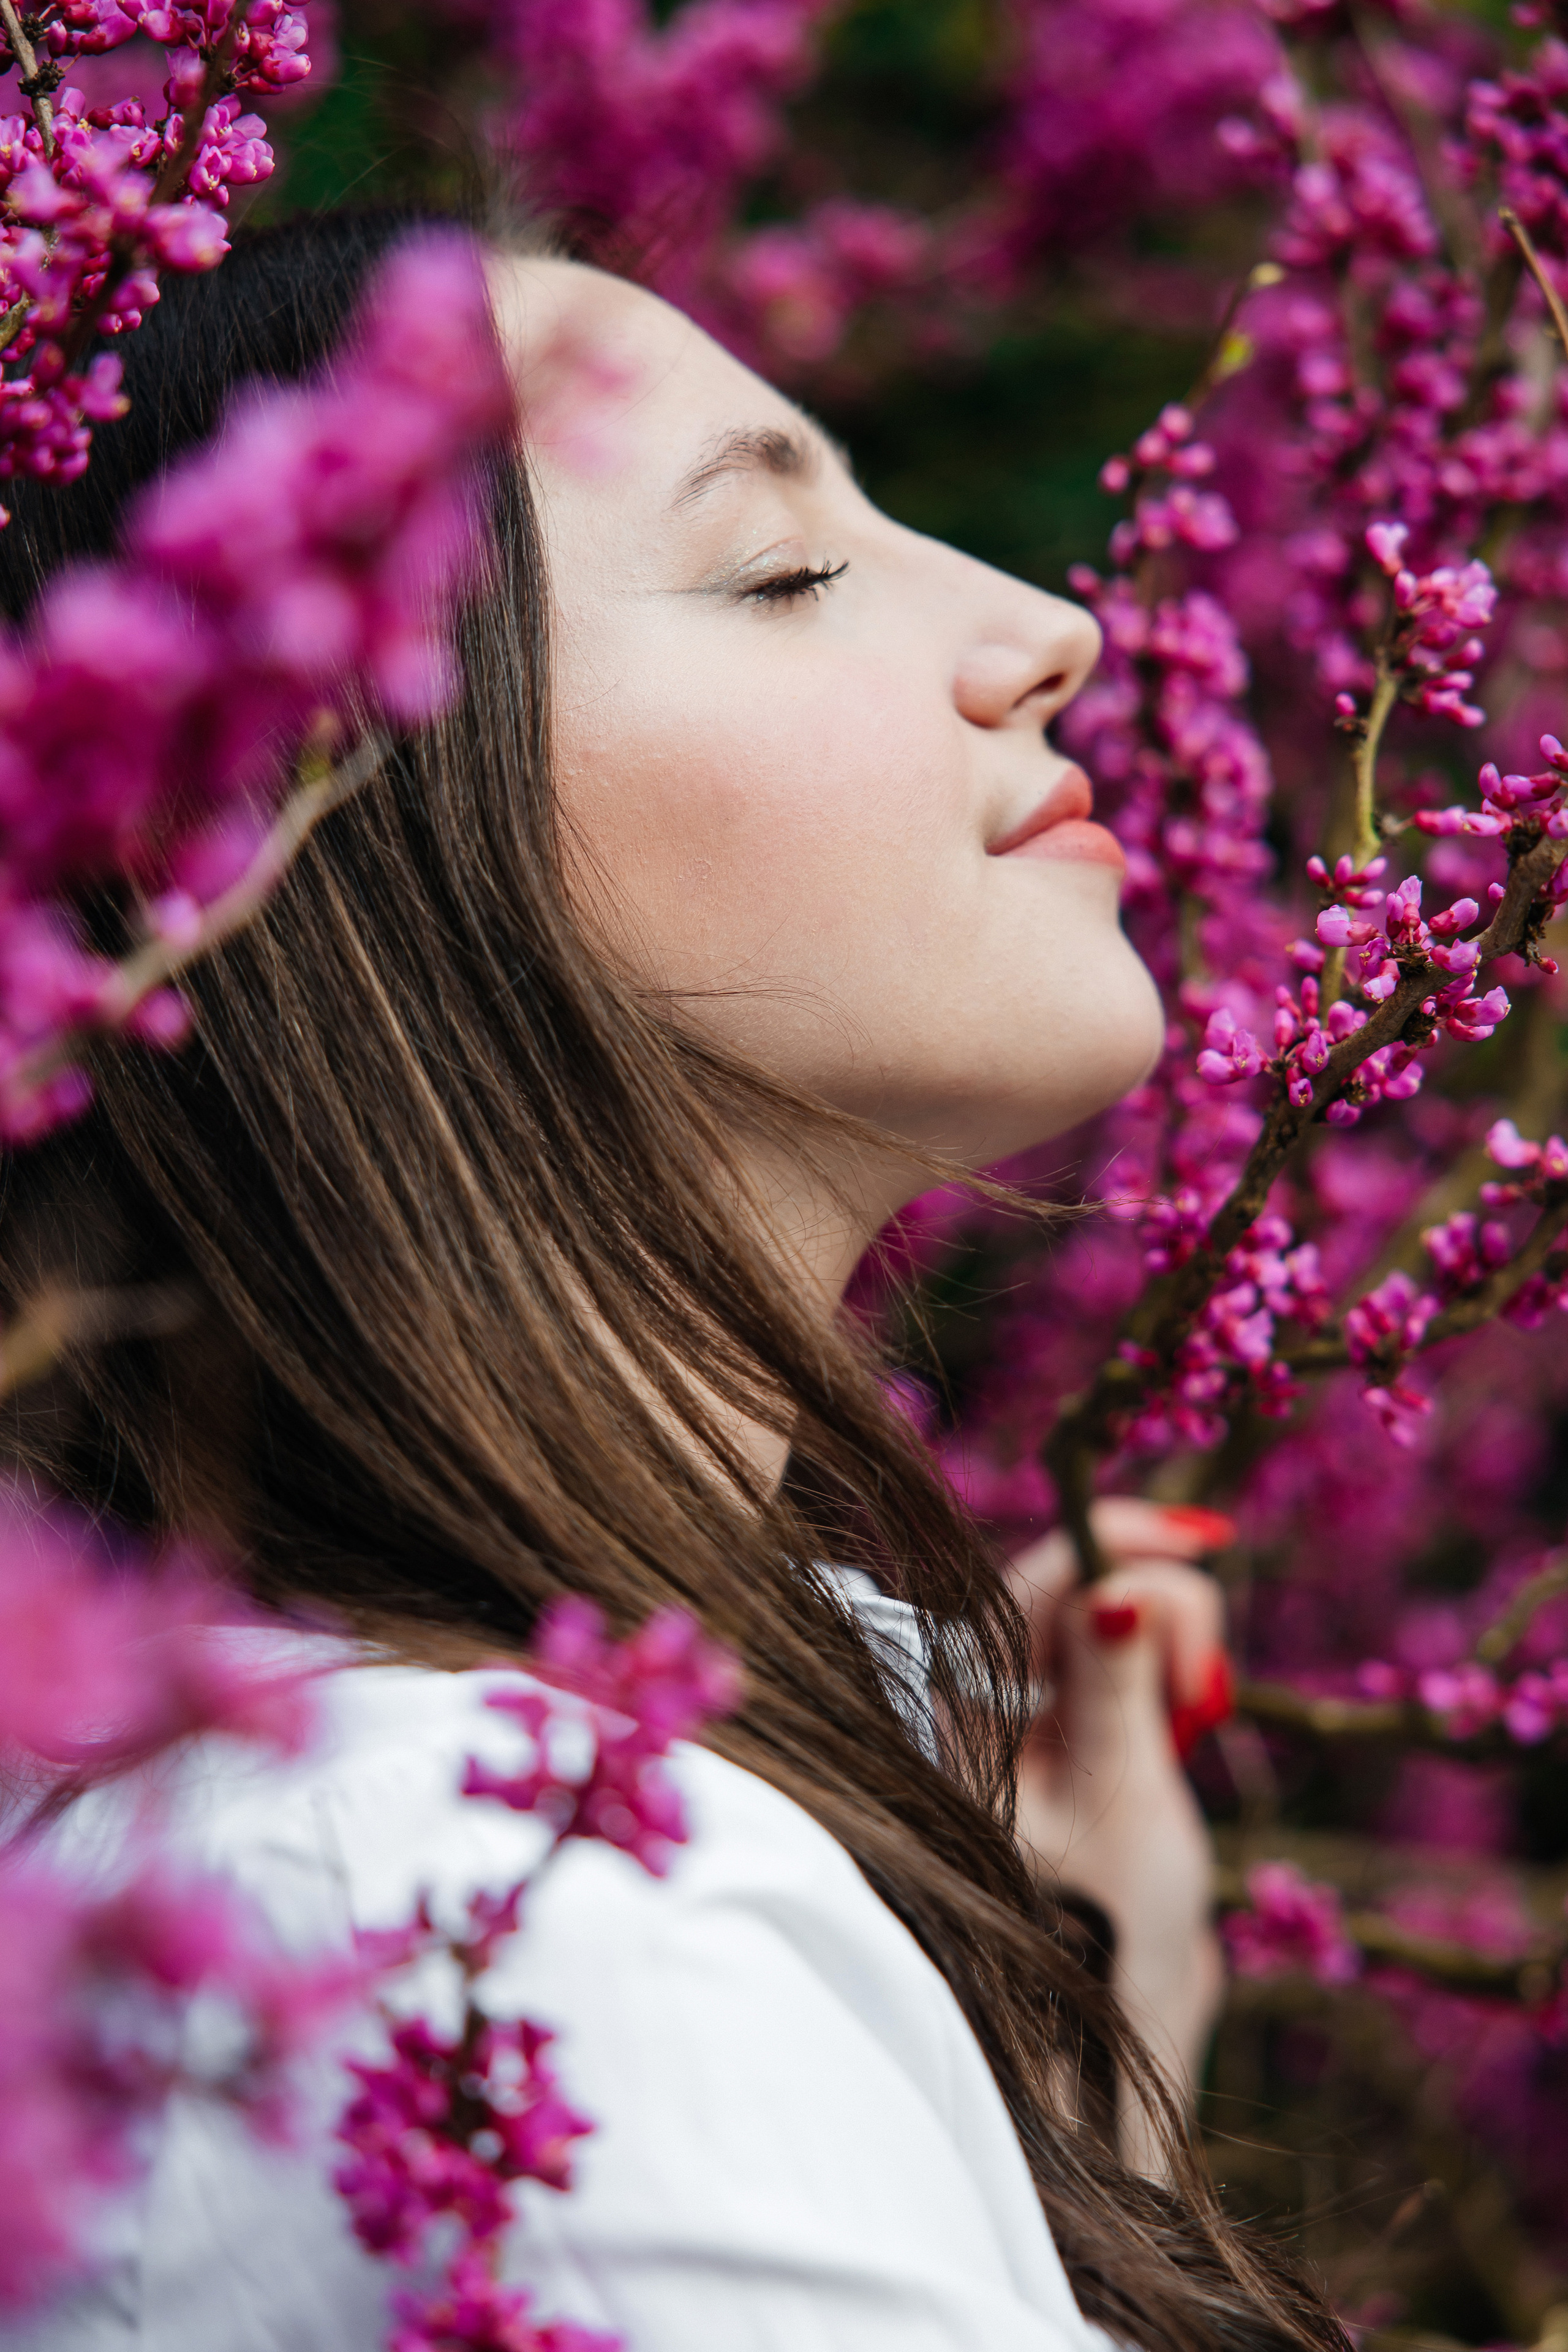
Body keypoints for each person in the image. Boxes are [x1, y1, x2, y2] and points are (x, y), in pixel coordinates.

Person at [0, 213, 1344, 2352]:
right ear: (349, 828)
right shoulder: (519, 1933)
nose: (1058, 626)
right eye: (785, 571)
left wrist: (1076, 2062)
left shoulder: (431, 1882)